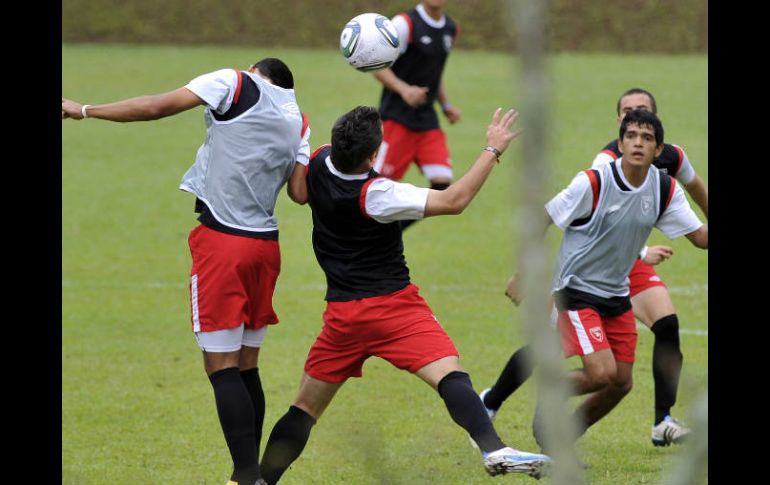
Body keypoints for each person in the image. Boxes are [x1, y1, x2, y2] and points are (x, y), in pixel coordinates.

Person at [258, 106, 551, 484]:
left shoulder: (320, 160)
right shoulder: (376, 194)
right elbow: (454, 201)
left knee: (305, 407)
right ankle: (493, 448)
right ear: (372, 156)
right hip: (394, 308)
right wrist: (492, 150)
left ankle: (262, 480)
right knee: (450, 375)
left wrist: (300, 145)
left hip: (343, 317)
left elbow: (298, 193)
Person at [62, 58, 311, 485]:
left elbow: (156, 106)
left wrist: (84, 109)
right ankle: (248, 476)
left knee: (221, 366)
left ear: (255, 70)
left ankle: (246, 476)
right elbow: (300, 193)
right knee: (247, 364)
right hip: (266, 247)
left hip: (223, 245)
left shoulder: (234, 82)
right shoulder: (298, 120)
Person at [478, 88, 708, 447]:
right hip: (576, 290)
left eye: (646, 137)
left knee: (621, 383)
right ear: (619, 138)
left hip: (616, 292)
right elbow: (543, 218)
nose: (637, 142)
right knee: (599, 372)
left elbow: (701, 237)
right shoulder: (594, 180)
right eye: (631, 135)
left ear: (658, 150)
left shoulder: (664, 189)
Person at [372, 0, 461, 229]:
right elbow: (377, 64)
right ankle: (368, 234)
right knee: (376, 187)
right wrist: (405, 90)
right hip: (396, 118)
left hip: (427, 120)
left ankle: (389, 234)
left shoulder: (451, 28)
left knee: (442, 185)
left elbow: (434, 73)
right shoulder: (405, 24)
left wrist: (446, 105)